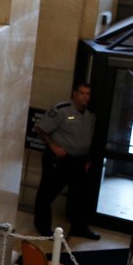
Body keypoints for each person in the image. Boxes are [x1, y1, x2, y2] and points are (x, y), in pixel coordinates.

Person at [33, 82, 100, 240]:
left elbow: (87, 138)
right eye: (82, 93)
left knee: (82, 195)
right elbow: (40, 129)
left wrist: (87, 158)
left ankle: (79, 227)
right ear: (74, 94)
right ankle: (42, 228)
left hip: (79, 161)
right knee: (47, 194)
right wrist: (53, 146)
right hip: (60, 160)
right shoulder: (61, 110)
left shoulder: (89, 114)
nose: (85, 97)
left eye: (88, 94)